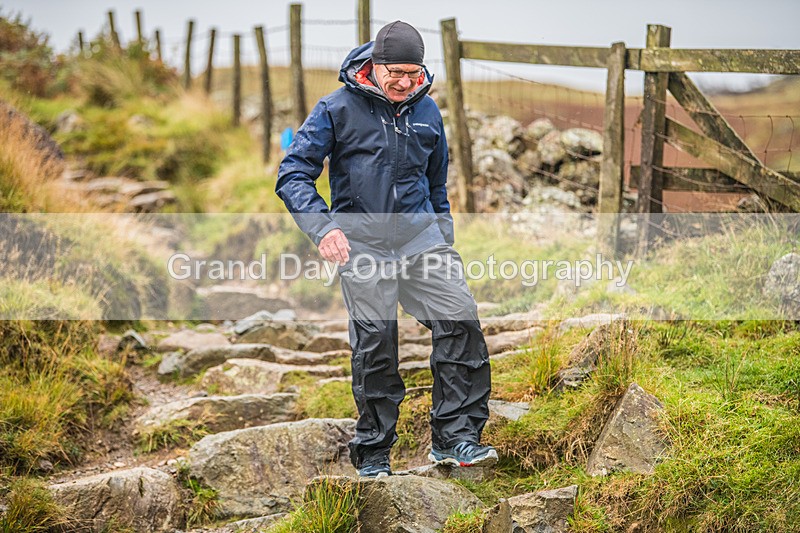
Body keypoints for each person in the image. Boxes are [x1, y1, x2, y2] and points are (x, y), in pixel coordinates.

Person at [276, 20, 496, 478]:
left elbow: (437, 185)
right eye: (393, 71)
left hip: (421, 241)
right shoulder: (336, 109)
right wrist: (324, 229)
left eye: (412, 74)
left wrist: (443, 240)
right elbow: (293, 173)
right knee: (376, 344)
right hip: (361, 246)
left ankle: (456, 438)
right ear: (373, 66)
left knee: (460, 318)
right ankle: (374, 453)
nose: (402, 82)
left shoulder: (428, 112)